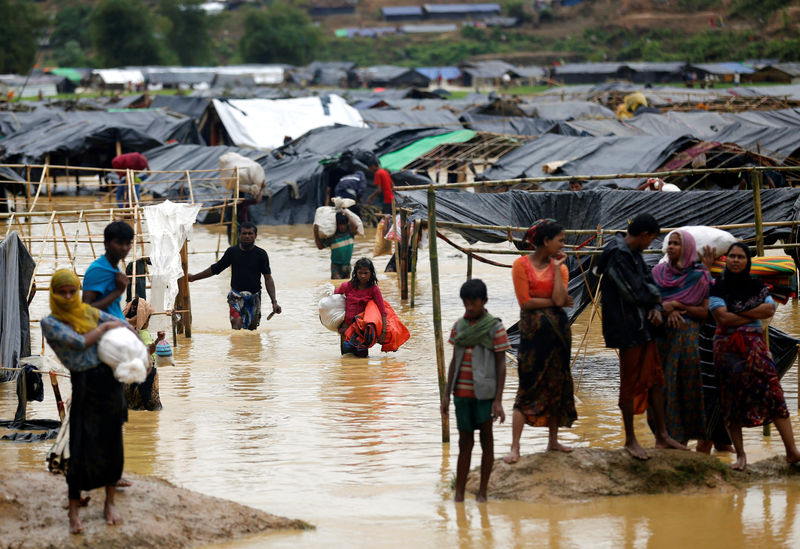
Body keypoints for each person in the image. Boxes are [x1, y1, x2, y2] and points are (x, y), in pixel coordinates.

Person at [41, 269, 128, 534]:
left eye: (71, 291)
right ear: (53, 294)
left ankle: (109, 504)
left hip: (110, 381)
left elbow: (122, 325)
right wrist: (104, 329)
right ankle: (74, 513)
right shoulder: (50, 322)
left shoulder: (88, 312)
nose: (68, 297)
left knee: (113, 441)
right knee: (79, 446)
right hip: (85, 383)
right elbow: (78, 343)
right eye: (62, 292)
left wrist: (130, 337)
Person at [595, 213, 687, 460]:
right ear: (645, 235)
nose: (652, 245)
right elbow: (631, 291)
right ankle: (630, 440)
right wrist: (658, 305)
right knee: (629, 383)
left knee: (655, 378)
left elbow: (648, 283)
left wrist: (656, 307)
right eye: (652, 239)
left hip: (643, 326)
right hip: (627, 328)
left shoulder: (633, 253)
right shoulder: (616, 254)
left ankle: (662, 436)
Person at [710, 242, 800, 471]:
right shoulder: (717, 286)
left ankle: (791, 451)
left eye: (741, 256)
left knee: (774, 394)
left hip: (755, 346)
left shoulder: (757, 286)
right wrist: (750, 314)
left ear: (747, 261)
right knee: (731, 400)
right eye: (732, 256)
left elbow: (768, 310)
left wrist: (735, 311)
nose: (736, 260)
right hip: (727, 349)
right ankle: (741, 456)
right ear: (727, 260)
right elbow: (722, 318)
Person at [504, 219, 576, 464]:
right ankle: (515, 447)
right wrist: (556, 302)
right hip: (533, 336)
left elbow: (559, 297)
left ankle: (553, 441)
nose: (563, 244)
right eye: (560, 240)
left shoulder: (561, 268)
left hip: (558, 334)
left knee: (557, 384)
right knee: (527, 388)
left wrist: (556, 271)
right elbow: (526, 303)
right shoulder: (520, 265)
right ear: (546, 242)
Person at [441, 279, 508, 502]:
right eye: (466, 303)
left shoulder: (494, 327)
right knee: (464, 443)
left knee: (486, 441)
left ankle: (483, 492)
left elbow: (501, 364)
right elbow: (454, 362)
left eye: (474, 303)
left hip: (485, 395)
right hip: (461, 395)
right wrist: (446, 395)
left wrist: (498, 400)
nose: (469, 307)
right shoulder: (459, 326)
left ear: (484, 301)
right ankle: (459, 493)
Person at [650, 230, 710, 445]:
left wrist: (678, 305)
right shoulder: (657, 273)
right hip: (660, 338)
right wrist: (667, 310)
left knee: (684, 386)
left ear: (688, 249)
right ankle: (661, 436)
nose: (671, 247)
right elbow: (650, 303)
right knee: (659, 385)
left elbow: (703, 313)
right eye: (670, 243)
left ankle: (682, 439)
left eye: (677, 244)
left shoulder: (699, 276)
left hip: (686, 342)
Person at [188, 221, 281, 330]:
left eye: (250, 233)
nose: (247, 236)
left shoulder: (261, 254)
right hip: (235, 296)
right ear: (239, 235)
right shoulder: (232, 252)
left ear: (255, 236)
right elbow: (216, 269)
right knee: (236, 324)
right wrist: (194, 277)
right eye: (244, 233)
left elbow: (268, 278)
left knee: (251, 331)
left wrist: (274, 302)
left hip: (254, 296)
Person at [334, 257, 386, 357]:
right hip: (346, 331)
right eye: (360, 273)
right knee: (346, 361)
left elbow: (382, 311)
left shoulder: (374, 290)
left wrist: (383, 332)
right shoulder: (347, 286)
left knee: (362, 363)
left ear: (371, 273)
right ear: (355, 273)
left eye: (366, 273)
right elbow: (333, 300)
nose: (363, 276)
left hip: (362, 334)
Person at [82, 221, 133, 320]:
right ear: (106, 243)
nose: (124, 248)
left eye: (128, 243)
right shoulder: (98, 270)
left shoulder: (113, 268)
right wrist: (118, 291)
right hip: (105, 330)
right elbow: (86, 310)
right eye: (119, 243)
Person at [122, 297, 162, 411]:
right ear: (145, 321)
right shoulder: (143, 334)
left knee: (131, 409)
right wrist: (158, 340)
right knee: (152, 411)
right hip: (145, 377)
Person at [314, 211, 357, 279]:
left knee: (346, 286)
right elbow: (320, 247)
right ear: (336, 225)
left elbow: (355, 226)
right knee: (337, 285)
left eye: (344, 224)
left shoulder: (350, 233)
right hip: (336, 266)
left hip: (347, 265)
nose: (342, 227)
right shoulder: (332, 237)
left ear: (347, 224)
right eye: (340, 224)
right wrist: (316, 233)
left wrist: (347, 214)